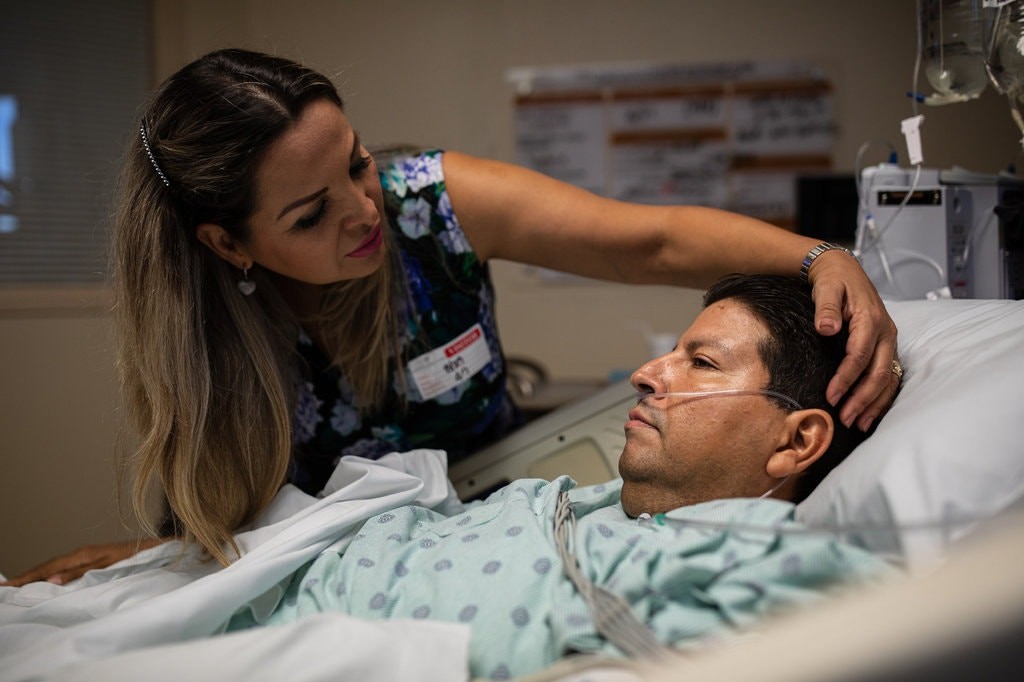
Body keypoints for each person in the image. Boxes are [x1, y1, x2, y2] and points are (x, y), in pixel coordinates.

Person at [2, 48, 900, 586]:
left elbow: (651, 242)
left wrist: (821, 257)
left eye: (356, 164)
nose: (363, 212)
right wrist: (154, 559)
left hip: (498, 515)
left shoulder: (428, 202)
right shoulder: (206, 337)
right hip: (330, 560)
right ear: (229, 244)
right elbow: (231, 531)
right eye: (310, 215)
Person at [224, 273, 900, 679]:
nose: (647, 373)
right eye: (671, 352)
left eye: (701, 362)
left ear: (797, 439)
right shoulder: (585, 509)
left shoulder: (761, 563)